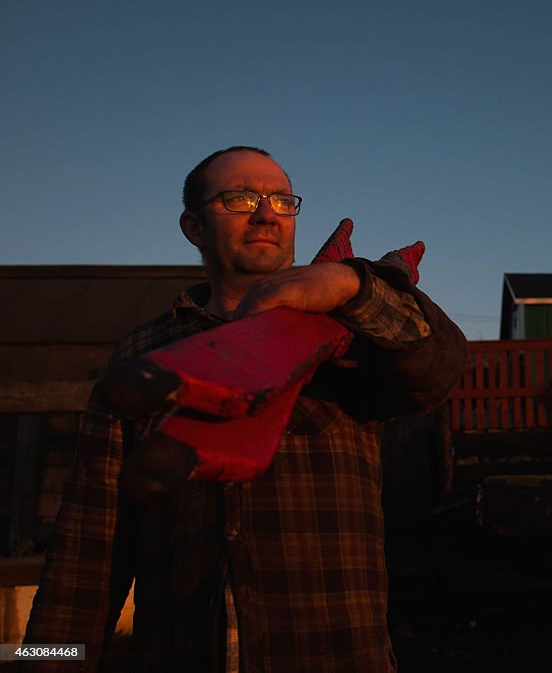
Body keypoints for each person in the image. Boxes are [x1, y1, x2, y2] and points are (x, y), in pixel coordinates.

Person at [23, 146, 468, 672]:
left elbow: (437, 367)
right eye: (239, 198)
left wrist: (349, 286)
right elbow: (88, 548)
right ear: (193, 226)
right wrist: (44, 658)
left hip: (336, 652)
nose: (266, 213)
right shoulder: (143, 355)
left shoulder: (357, 330)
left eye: (282, 200)